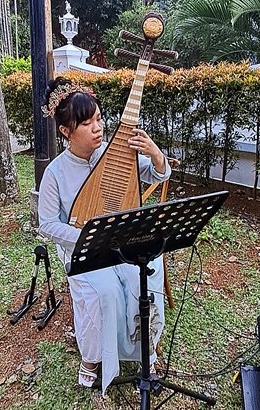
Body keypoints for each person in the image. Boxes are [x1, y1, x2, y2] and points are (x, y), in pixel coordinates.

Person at [38, 76, 171, 395]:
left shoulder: (113, 156)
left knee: (146, 281)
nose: (98, 128)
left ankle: (146, 351)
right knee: (106, 294)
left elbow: (159, 173)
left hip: (122, 242)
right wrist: (84, 235)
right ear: (66, 131)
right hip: (84, 251)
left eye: (99, 119)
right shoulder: (55, 173)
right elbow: (46, 225)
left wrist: (153, 152)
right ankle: (94, 358)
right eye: (87, 123)